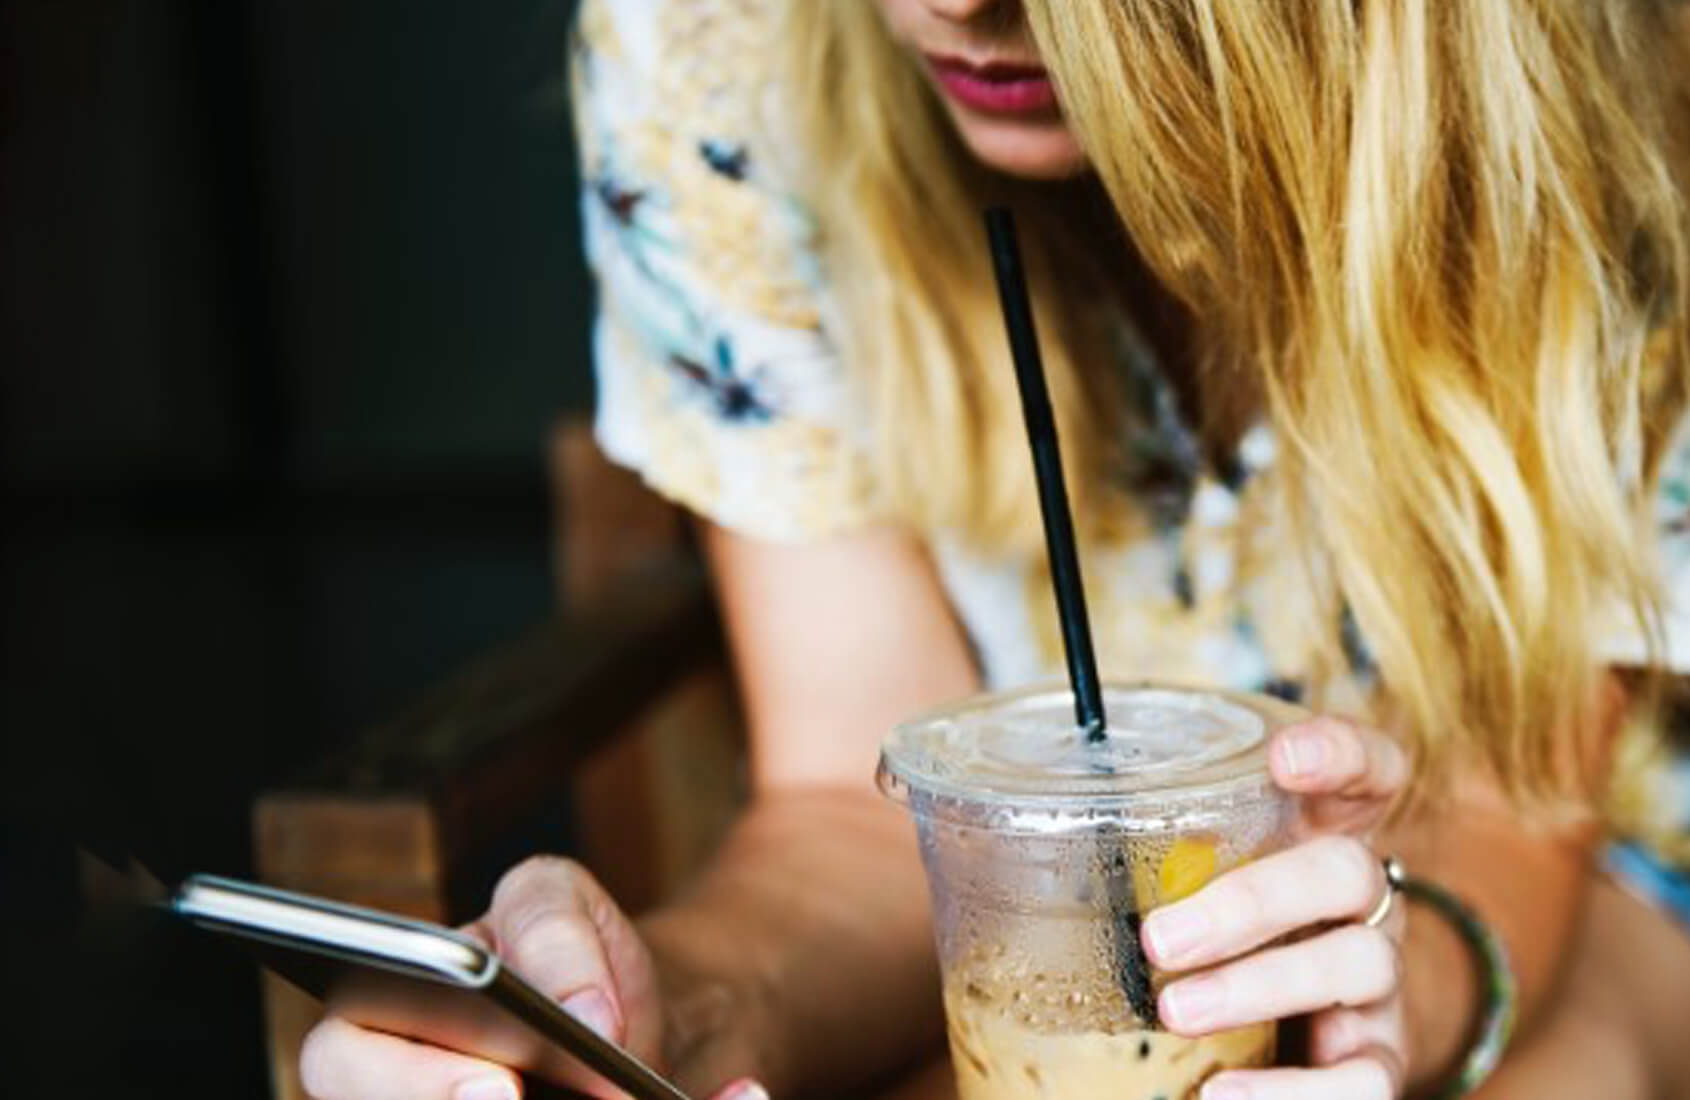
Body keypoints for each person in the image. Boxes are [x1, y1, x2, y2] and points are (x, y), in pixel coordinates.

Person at [298, 1, 1690, 1098]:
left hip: (1600, 898)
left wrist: (1373, 993)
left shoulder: (1605, 93)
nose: (951, 4)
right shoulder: (725, 56)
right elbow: (851, 806)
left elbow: (1524, 810)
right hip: (1068, 972)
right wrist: (654, 1013)